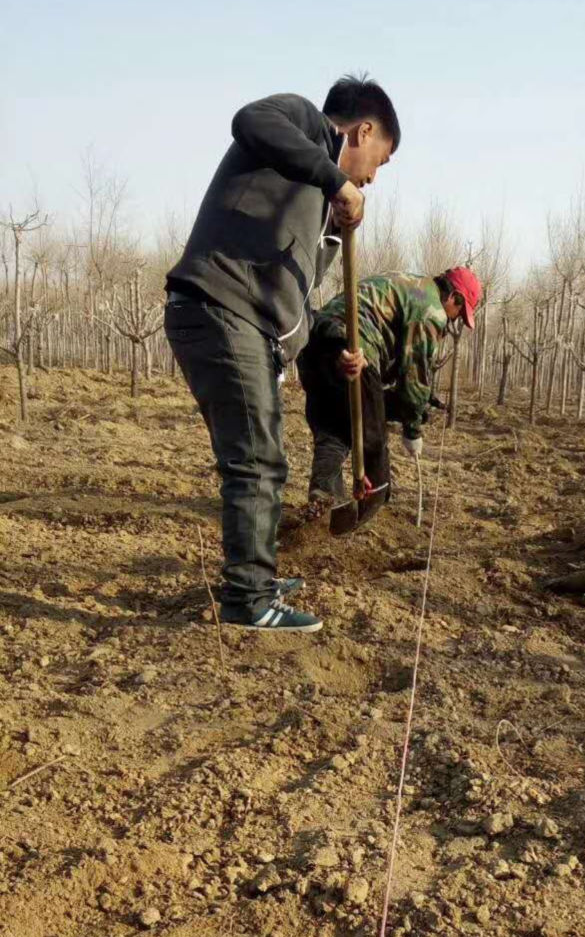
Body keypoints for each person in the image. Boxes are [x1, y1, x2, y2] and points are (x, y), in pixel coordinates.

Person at [164, 76, 401, 633]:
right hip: (222, 308)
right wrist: (336, 181)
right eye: (380, 162)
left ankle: (258, 579)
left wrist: (336, 354)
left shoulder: (314, 207)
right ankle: (248, 600)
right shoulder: (304, 122)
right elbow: (249, 120)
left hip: (247, 324)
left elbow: (296, 304)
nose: (372, 178)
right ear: (363, 131)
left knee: (264, 456)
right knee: (256, 459)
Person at [298, 267, 483, 523]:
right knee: (373, 434)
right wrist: (412, 429)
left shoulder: (410, 285)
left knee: (333, 428)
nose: (454, 320)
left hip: (314, 343)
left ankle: (324, 499)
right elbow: (414, 376)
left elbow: (396, 364)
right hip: (354, 347)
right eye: (459, 314)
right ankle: (372, 508)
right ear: (454, 298)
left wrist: (415, 400)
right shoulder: (431, 308)